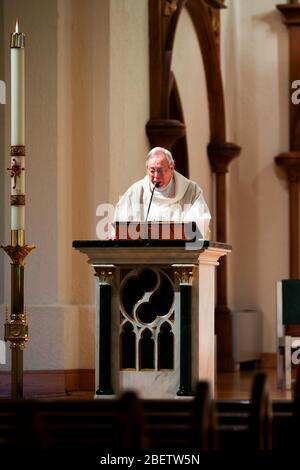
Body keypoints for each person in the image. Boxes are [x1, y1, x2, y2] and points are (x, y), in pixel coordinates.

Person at [113, 147, 211, 239]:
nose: (156, 176)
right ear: (147, 169)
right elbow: (120, 224)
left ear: (171, 168)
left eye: (160, 171)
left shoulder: (190, 191)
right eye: (152, 171)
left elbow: (199, 223)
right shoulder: (135, 192)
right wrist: (115, 236)